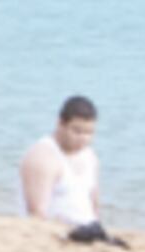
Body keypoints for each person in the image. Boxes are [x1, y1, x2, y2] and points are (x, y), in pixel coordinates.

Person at [21, 95, 101, 227]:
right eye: (77, 131)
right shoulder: (44, 156)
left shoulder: (90, 156)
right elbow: (37, 213)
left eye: (89, 133)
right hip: (57, 230)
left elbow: (94, 204)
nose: (83, 139)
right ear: (60, 124)